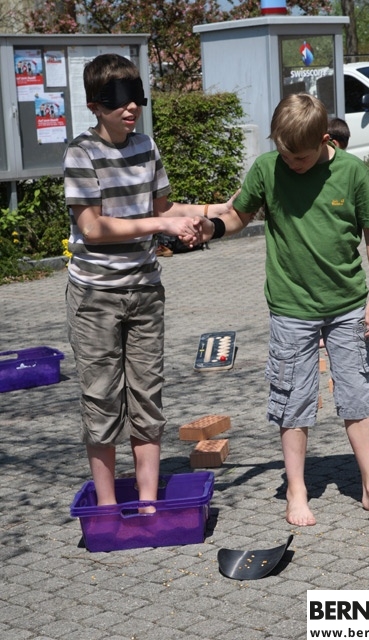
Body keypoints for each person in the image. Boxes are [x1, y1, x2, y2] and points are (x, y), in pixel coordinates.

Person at [199, 93, 369, 526]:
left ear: (323, 139)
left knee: (358, 394)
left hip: (347, 305)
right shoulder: (267, 168)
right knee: (292, 399)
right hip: (291, 307)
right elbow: (239, 216)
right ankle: (297, 490)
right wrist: (212, 227)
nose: (291, 163)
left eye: (299, 157)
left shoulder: (352, 172)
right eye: (284, 153)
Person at [63, 53, 230, 508]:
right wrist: (161, 226)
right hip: (95, 297)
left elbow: (163, 209)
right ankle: (105, 508)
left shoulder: (146, 146)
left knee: (147, 396)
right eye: (119, 98)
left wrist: (215, 211)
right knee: (101, 399)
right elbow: (93, 228)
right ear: (96, 105)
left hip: (145, 292)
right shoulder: (81, 153)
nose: (131, 106)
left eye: (136, 95)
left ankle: (149, 502)